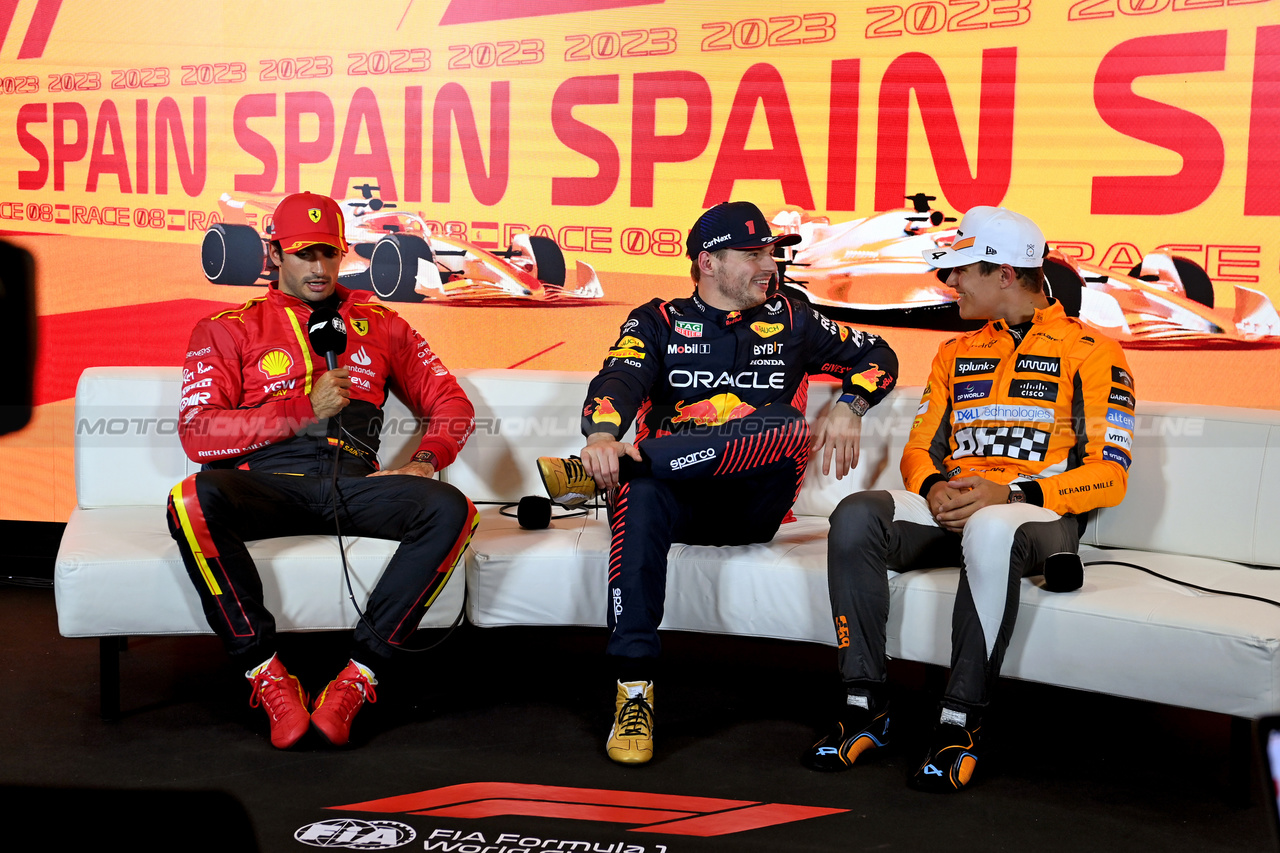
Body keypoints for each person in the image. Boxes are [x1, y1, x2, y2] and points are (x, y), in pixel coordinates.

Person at [537, 200, 899, 765]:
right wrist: (604, 436)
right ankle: (634, 692)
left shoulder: (794, 317)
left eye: (770, 254)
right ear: (707, 262)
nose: (768, 266)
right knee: (639, 490)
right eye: (752, 254)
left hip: (753, 503)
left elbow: (878, 354)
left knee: (785, 425)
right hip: (677, 501)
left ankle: (635, 463)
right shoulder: (657, 319)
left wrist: (852, 402)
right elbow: (619, 378)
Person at [806, 206, 1134, 791]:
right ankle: (864, 708)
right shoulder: (954, 352)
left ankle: (960, 724)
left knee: (992, 528)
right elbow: (918, 452)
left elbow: (1108, 473)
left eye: (961, 270)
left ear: (1006, 274)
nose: (949, 282)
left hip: (1037, 519)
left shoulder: (1094, 352)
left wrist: (1009, 492)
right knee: (855, 515)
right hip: (955, 509)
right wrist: (933, 490)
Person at [166, 192, 477, 749]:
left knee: (454, 509)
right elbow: (199, 433)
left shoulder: (380, 322)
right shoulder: (228, 326)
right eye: (305, 254)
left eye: (329, 254)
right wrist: (302, 409)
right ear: (275, 253)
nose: (319, 268)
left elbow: (451, 404)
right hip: (267, 486)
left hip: (354, 484)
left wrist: (426, 461)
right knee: (191, 498)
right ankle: (266, 673)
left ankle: (359, 676)